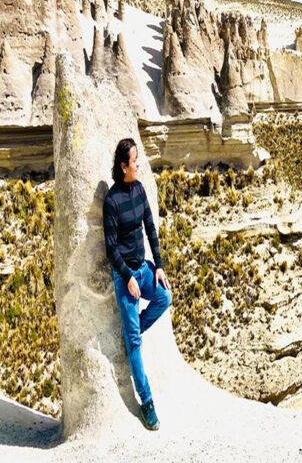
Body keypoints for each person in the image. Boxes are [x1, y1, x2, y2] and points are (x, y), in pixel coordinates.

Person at [103, 137, 172, 431]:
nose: (138, 164)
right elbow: (110, 249)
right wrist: (128, 278)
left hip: (144, 270)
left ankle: (135, 332)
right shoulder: (112, 201)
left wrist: (157, 266)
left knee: (165, 298)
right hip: (124, 276)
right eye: (134, 161)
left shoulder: (139, 189)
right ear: (123, 166)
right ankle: (147, 403)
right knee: (134, 347)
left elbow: (150, 228)